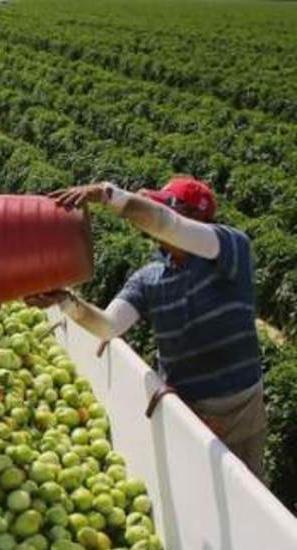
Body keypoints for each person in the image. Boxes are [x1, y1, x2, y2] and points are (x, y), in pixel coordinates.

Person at [26, 177, 267, 479]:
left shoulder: (230, 248)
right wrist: (66, 301)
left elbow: (168, 225)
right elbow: (109, 326)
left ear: (196, 216)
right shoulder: (149, 278)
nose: (154, 217)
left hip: (239, 409)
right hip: (185, 411)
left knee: (246, 485)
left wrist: (107, 194)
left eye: (165, 206)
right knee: (193, 485)